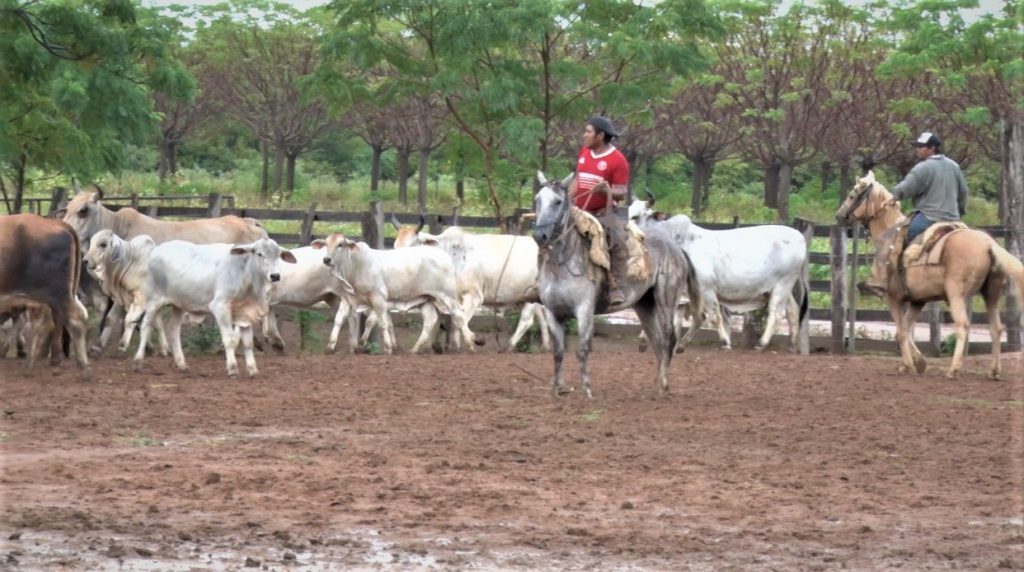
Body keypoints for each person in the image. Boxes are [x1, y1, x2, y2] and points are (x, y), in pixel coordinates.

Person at [861, 131, 969, 296]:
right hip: (953, 219)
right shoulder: (954, 166)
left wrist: (892, 195)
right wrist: (959, 212)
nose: (917, 149)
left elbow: (906, 188)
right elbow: (964, 192)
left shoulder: (923, 167)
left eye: (921, 146)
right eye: (917, 146)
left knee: (893, 236)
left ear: (932, 148)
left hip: (929, 217)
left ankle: (883, 281)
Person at [571, 116, 631, 305]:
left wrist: (605, 190)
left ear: (600, 135)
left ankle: (616, 286)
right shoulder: (584, 153)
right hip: (579, 211)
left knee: (617, 242)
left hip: (603, 214)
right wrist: (566, 199)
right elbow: (578, 180)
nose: (584, 135)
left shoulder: (617, 160)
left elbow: (622, 192)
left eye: (588, 131)